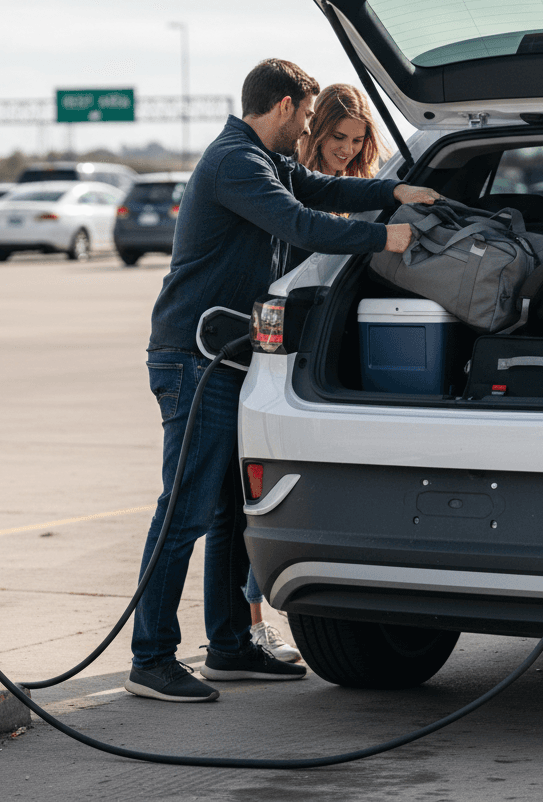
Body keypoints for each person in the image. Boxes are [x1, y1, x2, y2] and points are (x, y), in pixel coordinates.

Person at [125, 59, 440, 703]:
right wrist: (385, 236)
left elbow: (320, 191)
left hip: (226, 356)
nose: (306, 126)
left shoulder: (262, 159)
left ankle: (230, 648)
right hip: (192, 359)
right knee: (183, 510)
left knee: (227, 512)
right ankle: (150, 658)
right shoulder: (235, 163)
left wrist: (392, 192)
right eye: (303, 113)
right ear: (283, 105)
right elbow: (300, 223)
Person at [241, 83, 387, 662]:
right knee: (253, 497)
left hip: (335, 348)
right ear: (314, 130)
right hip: (284, 350)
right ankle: (250, 624)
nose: (348, 151)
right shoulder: (288, 185)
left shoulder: (359, 187)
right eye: (337, 138)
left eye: (357, 141)